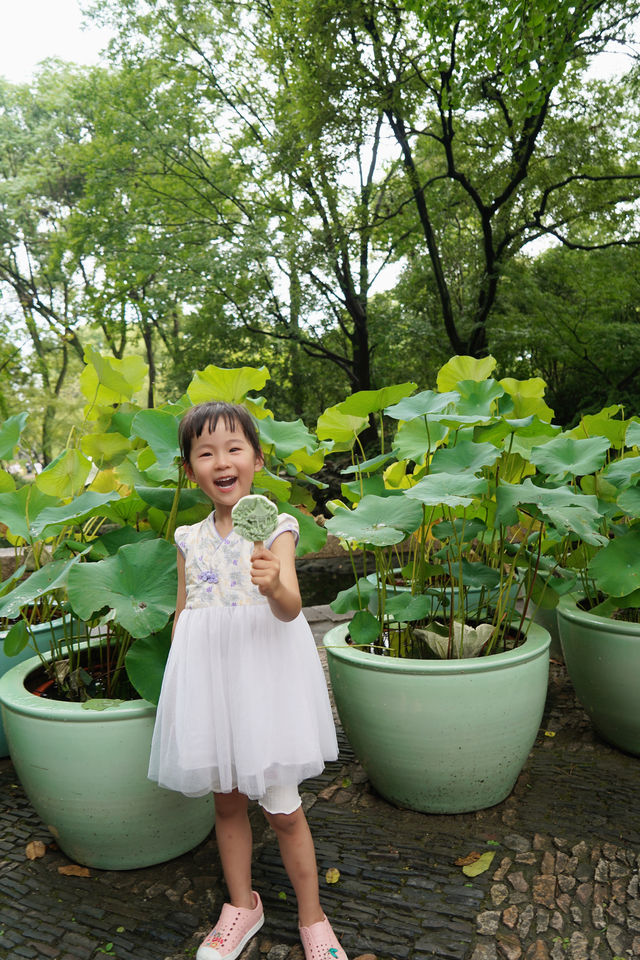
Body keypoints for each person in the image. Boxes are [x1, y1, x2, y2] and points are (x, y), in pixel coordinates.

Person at [148, 401, 348, 960]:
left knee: (283, 810)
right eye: (205, 453)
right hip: (213, 686)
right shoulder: (189, 538)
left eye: (234, 448)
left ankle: (313, 917)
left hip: (264, 685)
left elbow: (290, 610)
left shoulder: (276, 526)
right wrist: (185, 684)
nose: (222, 461)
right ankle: (242, 905)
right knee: (227, 803)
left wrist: (272, 585)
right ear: (190, 470)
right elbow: (185, 613)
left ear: (256, 459)